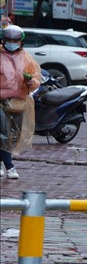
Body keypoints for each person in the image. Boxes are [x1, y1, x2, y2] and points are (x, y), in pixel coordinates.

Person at [1, 24, 42, 181]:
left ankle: (1, 162)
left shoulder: (26, 58)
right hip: (1, 100)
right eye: (8, 40)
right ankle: (10, 166)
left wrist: (30, 81)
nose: (12, 43)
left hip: (18, 100)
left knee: (13, 135)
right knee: (3, 132)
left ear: (21, 42)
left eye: (15, 40)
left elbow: (36, 77)